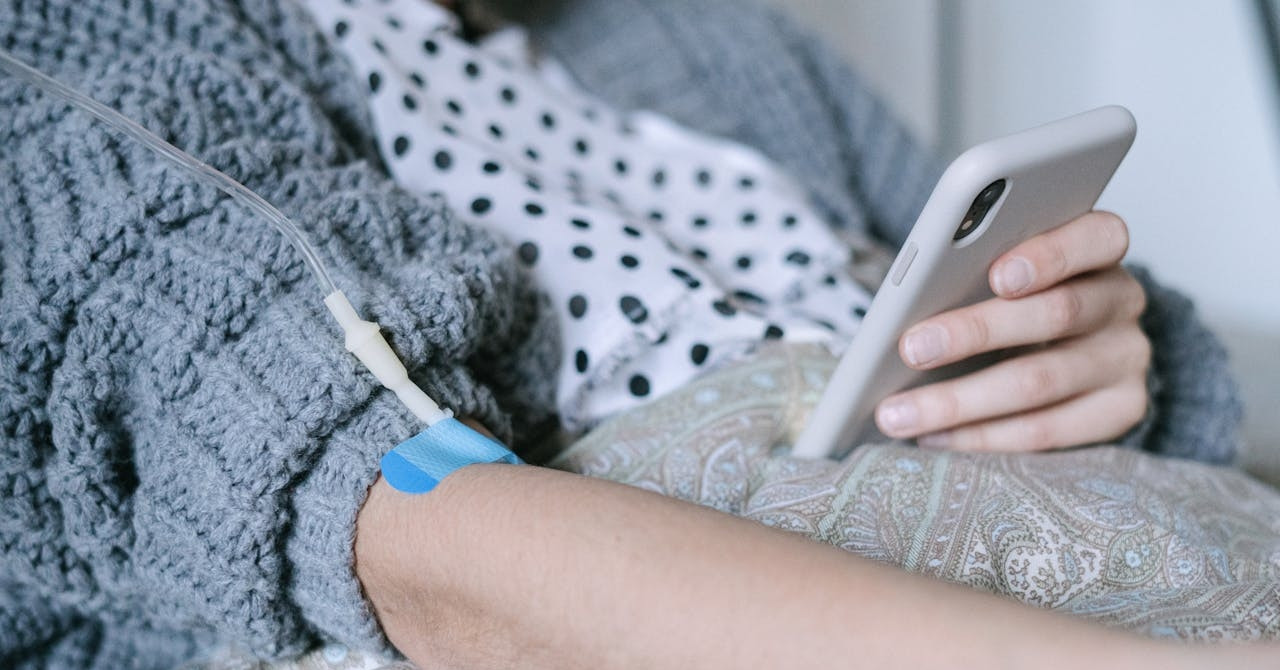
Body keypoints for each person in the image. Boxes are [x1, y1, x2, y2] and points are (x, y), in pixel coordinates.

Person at [0, 0, 1258, 668]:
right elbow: (427, 548)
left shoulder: (715, 43)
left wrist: (1093, 353)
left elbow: (991, 294)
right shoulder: (80, 63)